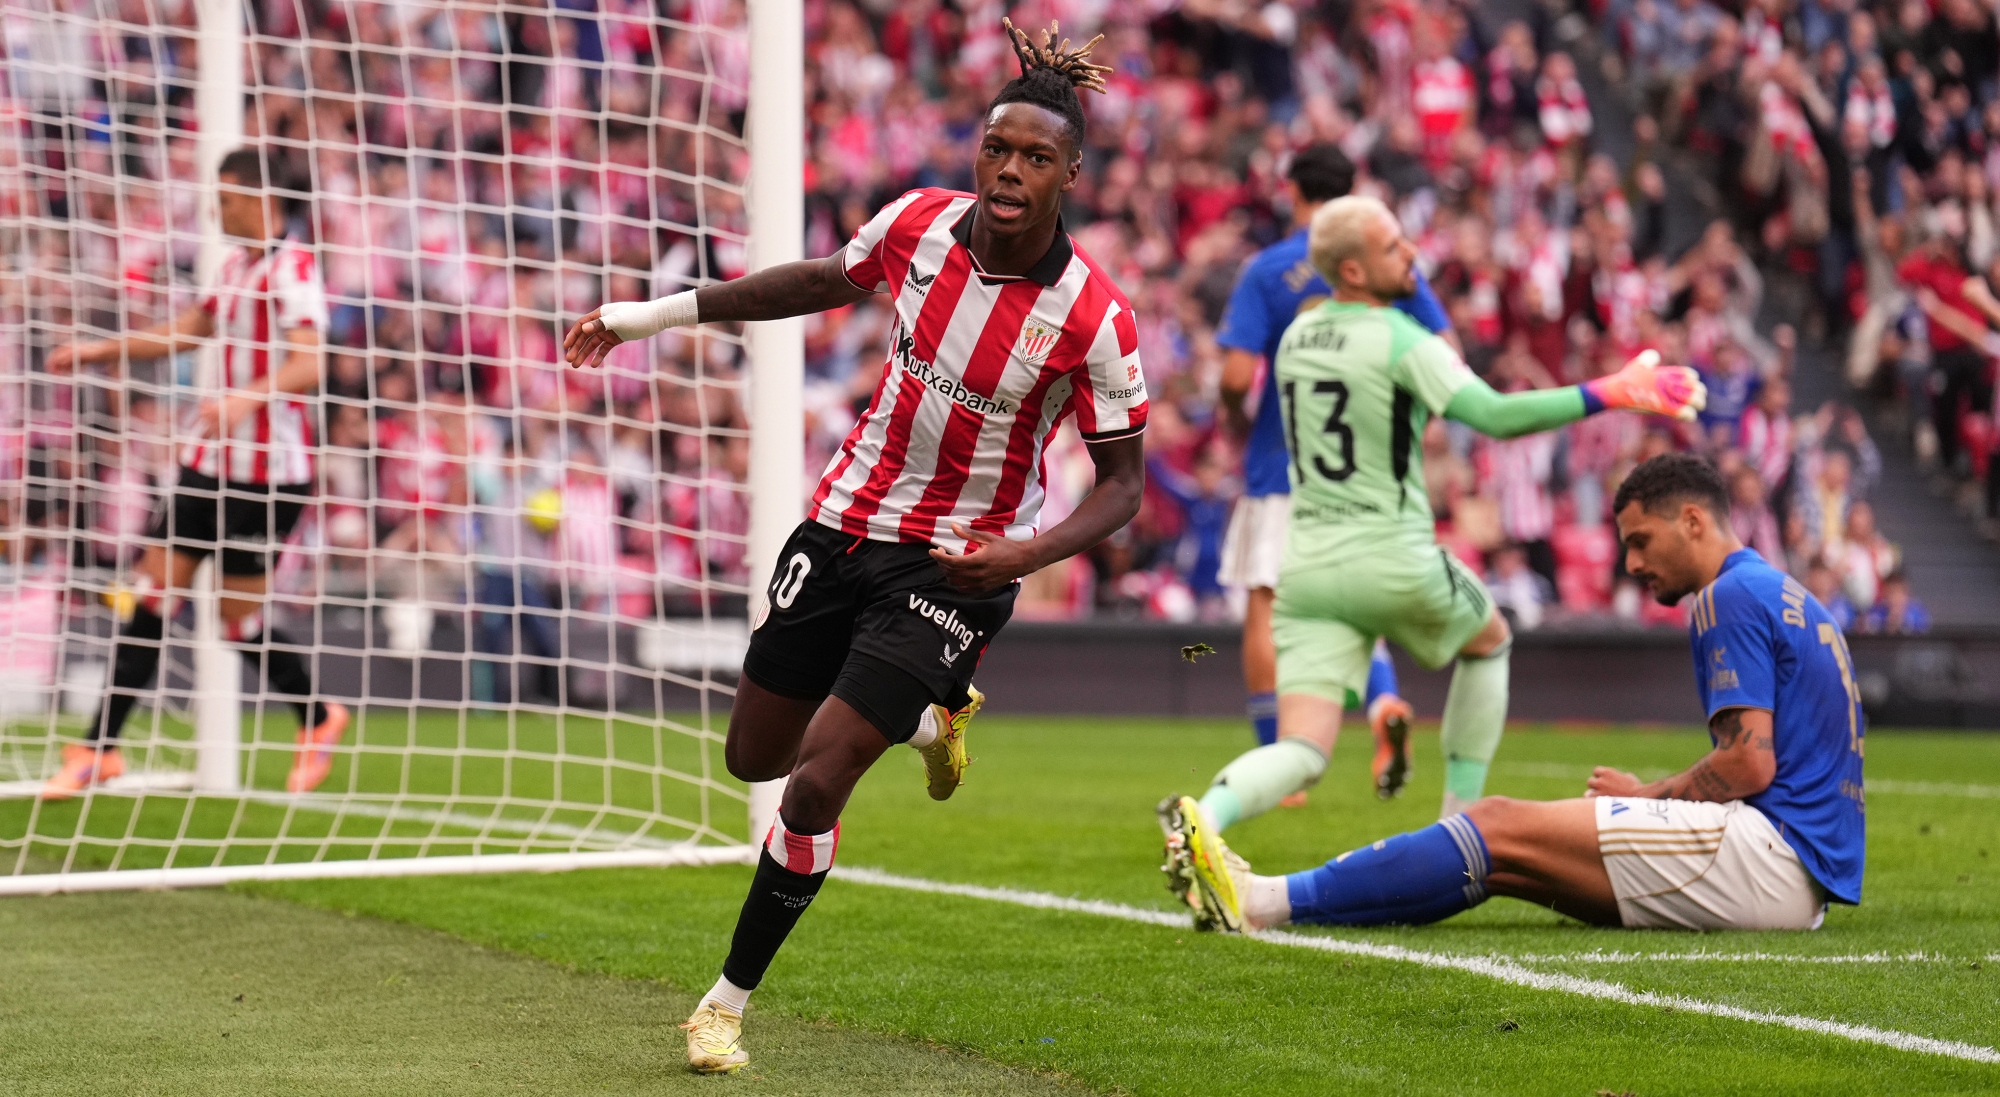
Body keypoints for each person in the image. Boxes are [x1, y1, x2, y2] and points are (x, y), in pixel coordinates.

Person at [563, 21, 1146, 1075]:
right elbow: (812, 282)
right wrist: (649, 315)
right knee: (755, 756)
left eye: (1035, 157)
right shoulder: (917, 223)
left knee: (815, 781)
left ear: (1071, 174)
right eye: (996, 148)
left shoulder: (1094, 319)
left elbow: (1122, 486)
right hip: (841, 522)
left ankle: (723, 1004)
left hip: (955, 565)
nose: (1009, 172)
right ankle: (929, 719)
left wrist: (1022, 555)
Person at [1164, 196, 1704, 847]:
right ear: (1354, 270)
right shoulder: (1402, 339)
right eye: (1393, 246)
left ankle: (1204, 818)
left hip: (1307, 571)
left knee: (1302, 748)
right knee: (1490, 640)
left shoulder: (1298, 339)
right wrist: (1611, 390)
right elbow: (1496, 416)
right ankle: (1456, 831)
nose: (1412, 253)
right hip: (1393, 556)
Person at [1165, 453, 1863, 935]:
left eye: (1641, 540)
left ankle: (1260, 899)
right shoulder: (1785, 592)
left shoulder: (1727, 596)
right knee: (1508, 862)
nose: (1632, 563)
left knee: (1495, 821)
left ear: (1693, 520)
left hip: (1769, 856)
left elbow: (1749, 763)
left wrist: (1645, 794)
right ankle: (1271, 902)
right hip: (1797, 874)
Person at [42, 147, 349, 798]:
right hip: (206, 464)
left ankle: (318, 715)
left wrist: (245, 399)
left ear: (263, 199)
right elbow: (190, 328)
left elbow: (309, 363)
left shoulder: (294, 269)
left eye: (227, 198)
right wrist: (103, 350)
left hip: (268, 479)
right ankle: (99, 749)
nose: (216, 209)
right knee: (152, 594)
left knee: (235, 624)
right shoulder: (234, 265)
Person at [1214, 143, 1429, 797]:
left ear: (1292, 191)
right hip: (1362, 467)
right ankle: (1383, 701)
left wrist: (1234, 416)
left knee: (1265, 603)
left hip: (1282, 462)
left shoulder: (1269, 268)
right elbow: (1441, 348)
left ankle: (1279, 763)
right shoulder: (1382, 262)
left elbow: (1236, 375)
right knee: (1354, 600)